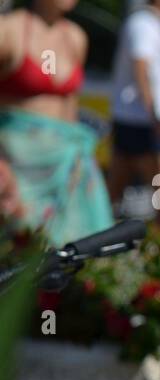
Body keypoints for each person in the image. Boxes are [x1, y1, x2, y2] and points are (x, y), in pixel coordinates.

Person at [0, 0, 111, 245]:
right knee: (22, 261)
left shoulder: (75, 37)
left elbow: (70, 109)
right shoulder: (8, 30)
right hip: (20, 173)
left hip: (69, 168)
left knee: (78, 258)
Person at [106, 0, 160, 242]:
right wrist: (155, 115)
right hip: (141, 121)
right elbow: (142, 67)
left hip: (138, 119)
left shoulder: (153, 23)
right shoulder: (144, 24)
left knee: (115, 194)